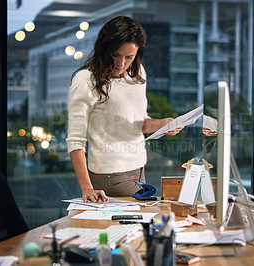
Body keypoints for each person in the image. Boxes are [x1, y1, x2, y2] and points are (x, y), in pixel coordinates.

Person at [66, 16, 182, 203]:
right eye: (115, 54)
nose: (121, 63)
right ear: (104, 50)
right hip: (109, 175)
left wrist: (164, 124)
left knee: (136, 227)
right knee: (154, 211)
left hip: (138, 169)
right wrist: (87, 188)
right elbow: (75, 141)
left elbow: (139, 123)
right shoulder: (86, 80)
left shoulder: (137, 74)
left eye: (129, 57)